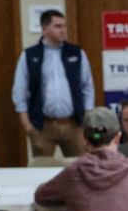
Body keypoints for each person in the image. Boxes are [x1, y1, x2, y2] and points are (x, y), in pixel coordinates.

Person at [12, 9, 95, 158]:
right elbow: (20, 92)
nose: (63, 30)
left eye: (64, 26)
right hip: (43, 126)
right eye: (57, 26)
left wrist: (86, 120)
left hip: (73, 125)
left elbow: (87, 87)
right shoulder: (30, 55)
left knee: (80, 169)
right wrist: (28, 127)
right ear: (44, 29)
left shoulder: (76, 53)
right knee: (42, 172)